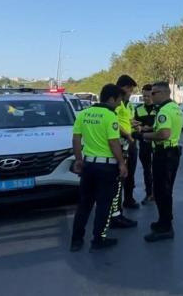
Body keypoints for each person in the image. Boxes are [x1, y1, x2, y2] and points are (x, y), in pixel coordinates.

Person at [70, 84, 129, 252]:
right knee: (104, 204)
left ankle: (76, 240)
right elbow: (113, 142)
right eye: (119, 100)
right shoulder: (110, 117)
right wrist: (122, 163)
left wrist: (79, 160)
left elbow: (76, 139)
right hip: (106, 167)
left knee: (84, 204)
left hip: (88, 165)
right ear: (112, 98)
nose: (120, 104)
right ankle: (98, 239)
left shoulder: (84, 114)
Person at [132, 81, 182, 242]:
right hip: (171, 153)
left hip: (164, 154)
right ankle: (164, 221)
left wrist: (142, 136)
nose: (150, 96)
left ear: (162, 93)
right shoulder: (174, 107)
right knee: (165, 190)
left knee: (162, 191)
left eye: (153, 93)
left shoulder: (163, 111)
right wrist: (150, 129)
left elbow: (164, 134)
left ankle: (165, 228)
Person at [111, 75, 139, 225]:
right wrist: (127, 134)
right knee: (120, 177)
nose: (131, 93)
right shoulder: (117, 103)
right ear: (124, 88)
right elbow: (114, 122)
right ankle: (117, 211)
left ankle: (128, 199)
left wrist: (133, 124)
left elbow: (125, 120)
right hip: (122, 143)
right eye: (130, 90)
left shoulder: (128, 105)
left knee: (130, 174)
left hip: (130, 142)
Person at [133, 84, 156, 205]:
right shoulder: (138, 109)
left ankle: (158, 193)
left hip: (157, 143)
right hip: (144, 144)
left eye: (148, 95)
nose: (146, 98)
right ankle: (149, 194)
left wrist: (150, 128)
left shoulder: (159, 109)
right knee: (147, 170)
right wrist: (140, 128)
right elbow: (135, 125)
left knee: (157, 170)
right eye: (144, 96)